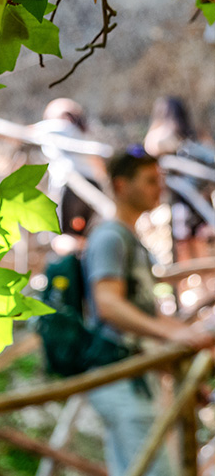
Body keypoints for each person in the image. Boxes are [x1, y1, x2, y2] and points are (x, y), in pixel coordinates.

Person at [82, 147, 215, 476]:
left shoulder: (130, 240)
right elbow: (108, 304)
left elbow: (146, 314)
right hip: (119, 376)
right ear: (122, 185)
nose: (159, 188)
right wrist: (173, 333)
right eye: (150, 181)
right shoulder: (110, 238)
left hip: (138, 377)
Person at [144, 97, 215, 264]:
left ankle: (189, 283)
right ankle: (204, 281)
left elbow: (150, 148)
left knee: (183, 239)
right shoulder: (194, 134)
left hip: (181, 198)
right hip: (198, 195)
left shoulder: (160, 134)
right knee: (198, 238)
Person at [36, 98, 106, 238]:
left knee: (62, 237)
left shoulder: (57, 126)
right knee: (83, 236)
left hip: (71, 186)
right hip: (93, 186)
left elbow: (25, 132)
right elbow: (99, 164)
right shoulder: (86, 133)